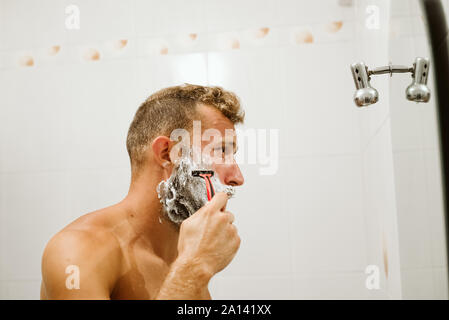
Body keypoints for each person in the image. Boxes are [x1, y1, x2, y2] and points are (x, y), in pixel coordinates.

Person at [40, 84, 245, 299]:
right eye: (221, 151)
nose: (238, 178)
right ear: (167, 153)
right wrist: (195, 267)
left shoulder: (182, 257)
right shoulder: (76, 251)